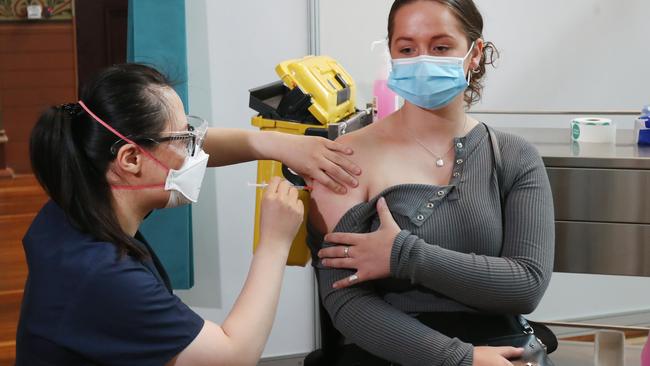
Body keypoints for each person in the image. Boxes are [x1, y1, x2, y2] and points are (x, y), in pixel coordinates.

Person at [16, 63, 362, 366]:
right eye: (184, 140)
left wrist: (275, 144)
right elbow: (232, 356)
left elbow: (201, 141)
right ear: (131, 160)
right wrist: (273, 242)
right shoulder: (102, 276)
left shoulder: (80, 198)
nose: (196, 149)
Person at [308, 0, 555, 365]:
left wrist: (401, 255)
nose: (422, 60)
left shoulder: (514, 157)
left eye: (441, 47)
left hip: (503, 349)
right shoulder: (346, 159)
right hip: (393, 351)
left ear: (475, 53)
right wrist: (460, 359)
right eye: (406, 49)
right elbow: (345, 300)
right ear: (391, 54)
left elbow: (526, 285)